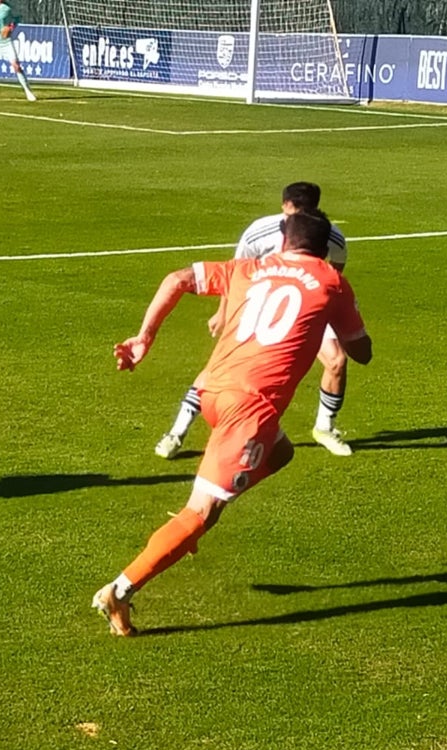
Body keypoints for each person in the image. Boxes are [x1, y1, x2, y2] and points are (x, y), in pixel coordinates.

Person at [94, 211, 371, 636]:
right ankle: (120, 590)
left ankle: (193, 523)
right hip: (249, 410)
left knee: (280, 452)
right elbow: (361, 352)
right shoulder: (332, 282)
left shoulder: (249, 268)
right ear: (326, 250)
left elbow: (176, 279)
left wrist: (144, 338)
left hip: (210, 393)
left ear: (283, 240)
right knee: (202, 510)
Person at [155, 182, 354, 459]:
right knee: (219, 367)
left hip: (304, 306)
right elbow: (234, 274)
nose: (295, 221)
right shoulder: (259, 232)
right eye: (293, 213)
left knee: (336, 360)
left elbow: (334, 279)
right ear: (284, 206)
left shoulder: (330, 237)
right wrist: (223, 313)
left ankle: (324, 428)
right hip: (257, 306)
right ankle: (177, 432)